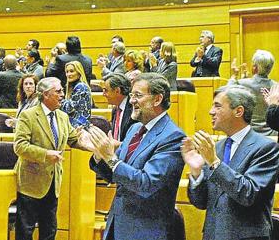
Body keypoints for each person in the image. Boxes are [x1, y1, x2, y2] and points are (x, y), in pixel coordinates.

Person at [87, 72, 185, 240]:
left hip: (146, 230)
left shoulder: (172, 137)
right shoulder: (134, 130)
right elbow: (113, 174)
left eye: (137, 95)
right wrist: (99, 155)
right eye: (131, 95)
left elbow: (146, 184)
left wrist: (110, 157)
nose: (131, 100)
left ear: (157, 99)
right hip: (117, 224)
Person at [183, 85, 279, 239]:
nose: (210, 111)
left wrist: (214, 163)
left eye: (217, 106)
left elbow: (248, 194)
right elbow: (200, 202)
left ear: (238, 111)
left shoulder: (266, 148)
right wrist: (196, 173)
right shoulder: (217, 148)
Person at [13, 77, 92, 240]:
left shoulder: (62, 116)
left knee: (49, 230)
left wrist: (94, 146)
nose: (63, 94)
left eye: (62, 90)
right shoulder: (28, 116)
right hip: (30, 182)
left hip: (53, 182)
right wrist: (45, 154)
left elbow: (73, 140)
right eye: (59, 91)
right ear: (45, 94)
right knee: (25, 231)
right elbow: (19, 146)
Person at [229, 49, 276, 135]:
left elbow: (226, 93)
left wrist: (234, 75)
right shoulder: (276, 86)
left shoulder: (243, 83)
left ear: (254, 67)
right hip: (273, 135)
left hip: (249, 134)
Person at [102, 73, 134, 142]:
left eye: (106, 90)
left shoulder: (134, 110)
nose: (103, 94)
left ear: (117, 91)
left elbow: (134, 143)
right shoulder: (115, 110)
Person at [61, 61, 92, 127]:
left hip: (79, 128)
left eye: (71, 71)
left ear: (79, 72)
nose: (68, 74)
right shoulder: (73, 86)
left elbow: (69, 108)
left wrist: (58, 100)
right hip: (74, 126)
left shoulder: (81, 87)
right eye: (67, 72)